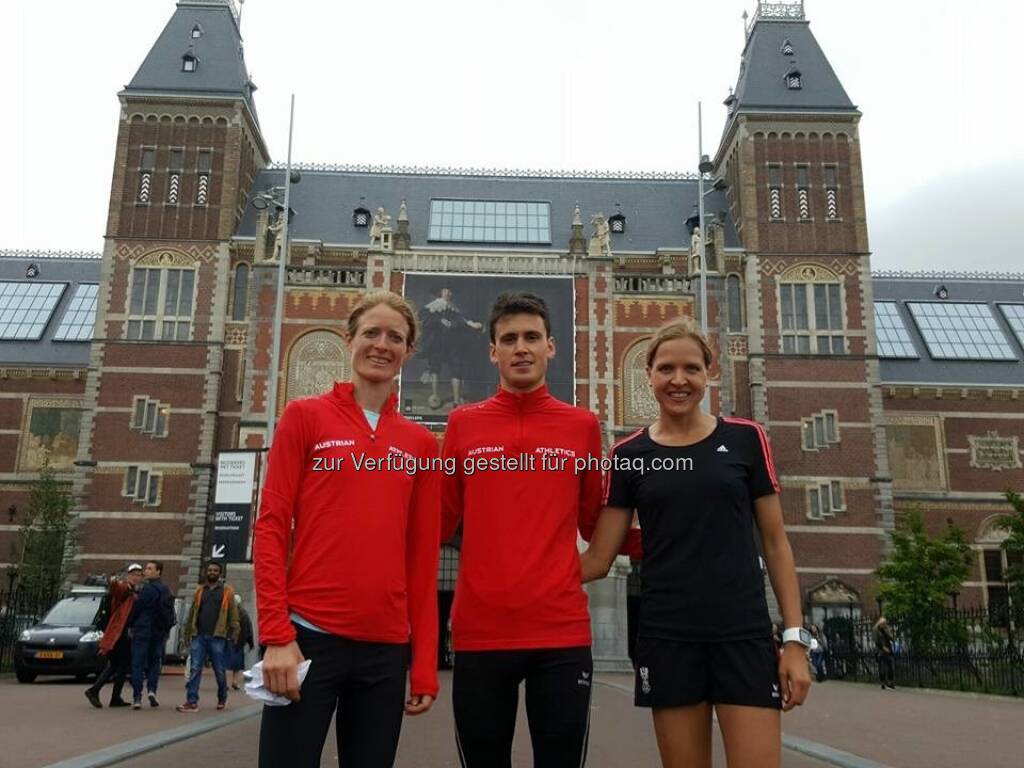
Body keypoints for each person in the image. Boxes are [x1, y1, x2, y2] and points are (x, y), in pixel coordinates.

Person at [581, 318, 811, 768]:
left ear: (709, 373)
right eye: (666, 368)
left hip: (741, 634)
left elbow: (776, 544)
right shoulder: (628, 456)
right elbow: (598, 558)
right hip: (669, 637)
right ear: (648, 375)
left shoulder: (746, 438)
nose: (678, 380)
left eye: (691, 368)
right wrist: (512, 572)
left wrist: (795, 641)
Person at [254, 291, 441, 768]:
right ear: (349, 340)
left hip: (385, 651)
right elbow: (272, 527)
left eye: (395, 337)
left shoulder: (420, 442)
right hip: (307, 638)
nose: (382, 345)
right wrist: (277, 635)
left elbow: (421, 560)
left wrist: (423, 664)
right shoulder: (304, 416)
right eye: (371, 333)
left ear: (408, 351)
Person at [441, 291, 604, 767]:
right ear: (492, 351)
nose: (521, 348)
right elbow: (437, 523)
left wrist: (680, 540)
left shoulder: (582, 426)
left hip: (562, 635)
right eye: (509, 339)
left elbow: (597, 523)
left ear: (551, 346)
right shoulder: (462, 425)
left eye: (532, 337)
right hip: (479, 633)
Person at [176, 561, 240, 712]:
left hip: (218, 636)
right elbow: (193, 612)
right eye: (210, 570)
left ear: (220, 574)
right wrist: (187, 632)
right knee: (195, 668)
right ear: (206, 572)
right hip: (199, 635)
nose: (212, 572)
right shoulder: (200, 591)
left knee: (219, 670)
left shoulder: (227, 591)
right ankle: (191, 701)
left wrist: (234, 633)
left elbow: (233, 614)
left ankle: (222, 697)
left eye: (215, 570)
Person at [84, 563, 143, 708]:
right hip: (119, 633)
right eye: (133, 574)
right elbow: (116, 588)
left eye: (138, 575)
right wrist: (113, 581)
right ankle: (95, 690)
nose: (136, 577)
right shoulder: (124, 588)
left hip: (125, 633)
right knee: (118, 665)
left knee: (119, 665)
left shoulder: (135, 591)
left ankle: (113, 697)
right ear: (128, 576)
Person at [126, 560, 173, 710]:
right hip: (159, 631)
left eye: (150, 568)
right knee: (154, 662)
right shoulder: (165, 589)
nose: (146, 571)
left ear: (158, 572)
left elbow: (137, 608)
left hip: (143, 629)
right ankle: (152, 691)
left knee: (138, 663)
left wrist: (130, 624)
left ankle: (137, 696)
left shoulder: (147, 589)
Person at [229, 594, 255, 690]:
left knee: (225, 662)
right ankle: (234, 681)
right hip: (238, 641)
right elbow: (248, 629)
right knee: (236, 664)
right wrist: (249, 642)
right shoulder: (243, 613)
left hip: (232, 640)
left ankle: (231, 681)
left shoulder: (230, 612)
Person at [874, 617, 896, 690]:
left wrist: (888, 633)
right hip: (880, 651)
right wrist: (883, 648)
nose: (884, 625)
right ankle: (883, 682)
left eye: (885, 623)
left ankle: (890, 682)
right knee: (882, 668)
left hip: (889, 650)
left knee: (891, 667)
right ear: (880, 624)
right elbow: (876, 641)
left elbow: (891, 638)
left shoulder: (887, 629)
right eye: (883, 624)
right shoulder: (876, 630)